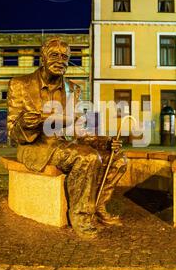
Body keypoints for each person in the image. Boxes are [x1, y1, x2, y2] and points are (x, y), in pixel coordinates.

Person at [7, 38, 127, 239]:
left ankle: (97, 205)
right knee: (87, 157)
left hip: (64, 144)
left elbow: (80, 129)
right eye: (55, 55)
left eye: (65, 57)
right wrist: (32, 122)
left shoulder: (73, 89)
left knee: (118, 159)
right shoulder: (20, 84)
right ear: (43, 57)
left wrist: (104, 142)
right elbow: (12, 132)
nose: (60, 60)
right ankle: (80, 216)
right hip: (37, 146)